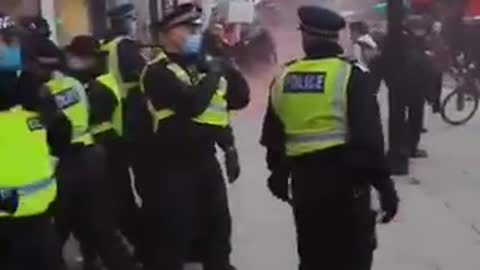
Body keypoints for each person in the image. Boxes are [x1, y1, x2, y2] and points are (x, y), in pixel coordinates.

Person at [260, 6, 399, 270]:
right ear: (336, 38)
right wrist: (385, 187)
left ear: (305, 38)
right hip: (346, 186)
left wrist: (278, 175)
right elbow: (369, 138)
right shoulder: (351, 75)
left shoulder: (285, 77)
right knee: (353, 257)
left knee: (313, 256)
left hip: (304, 185)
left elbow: (273, 135)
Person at [137, 3, 248, 270]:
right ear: (168, 34)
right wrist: (215, 73)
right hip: (171, 167)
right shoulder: (157, 72)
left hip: (205, 162)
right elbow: (192, 104)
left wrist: (226, 63)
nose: (195, 33)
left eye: (197, 28)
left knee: (218, 229)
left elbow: (237, 100)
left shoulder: (201, 67)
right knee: (174, 237)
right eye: (189, 29)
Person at [25, 37, 137, 270]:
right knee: (99, 227)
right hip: (90, 156)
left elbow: (48, 132)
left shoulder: (38, 93)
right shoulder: (73, 85)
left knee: (56, 231)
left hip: (64, 163)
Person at [64, 35, 146, 268]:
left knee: (117, 205)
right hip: (107, 149)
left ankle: (140, 249)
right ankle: (99, 253)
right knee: (107, 205)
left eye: (76, 57)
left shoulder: (100, 86)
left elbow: (85, 118)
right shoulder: (96, 80)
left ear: (88, 59)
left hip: (108, 149)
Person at [0, 13, 69, 270]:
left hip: (36, 222)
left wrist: (45, 105)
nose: (10, 48)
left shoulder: (31, 91)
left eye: (11, 41)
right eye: (4, 41)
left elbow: (62, 138)